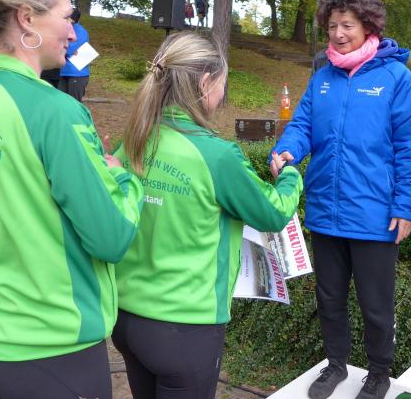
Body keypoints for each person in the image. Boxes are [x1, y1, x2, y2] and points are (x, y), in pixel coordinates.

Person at [0, 0, 144, 398]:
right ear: (27, 18)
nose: (74, 32)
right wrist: (124, 178)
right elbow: (111, 236)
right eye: (68, 16)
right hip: (49, 344)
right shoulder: (56, 111)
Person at [112, 32, 303, 399]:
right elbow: (273, 212)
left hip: (126, 318)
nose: (222, 93)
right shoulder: (217, 156)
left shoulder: (135, 137)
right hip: (186, 327)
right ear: (204, 83)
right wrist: (290, 176)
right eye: (222, 84)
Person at [270, 0, 411, 399]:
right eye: (332, 26)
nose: (338, 34)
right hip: (325, 211)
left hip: (376, 215)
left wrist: (406, 206)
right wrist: (286, 150)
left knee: (376, 304)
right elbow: (303, 125)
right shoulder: (323, 78)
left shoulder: (396, 78)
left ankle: (379, 372)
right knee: (329, 298)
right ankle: (336, 365)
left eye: (347, 26)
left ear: (368, 26)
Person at [58, 8, 91, 101]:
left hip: (77, 74)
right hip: (64, 72)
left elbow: (69, 49)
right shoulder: (65, 28)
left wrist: (60, 48)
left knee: (74, 102)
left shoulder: (80, 31)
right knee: (61, 102)